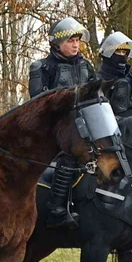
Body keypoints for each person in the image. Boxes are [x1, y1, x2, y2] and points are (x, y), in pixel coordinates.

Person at [29, 17, 96, 227]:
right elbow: (38, 103)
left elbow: (96, 96)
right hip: (53, 130)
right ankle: (57, 208)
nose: (75, 44)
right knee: (69, 156)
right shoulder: (41, 67)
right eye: (70, 40)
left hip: (85, 127)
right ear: (57, 43)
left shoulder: (87, 66)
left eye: (77, 40)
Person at [97, 31, 132, 118]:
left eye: (124, 52)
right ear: (108, 53)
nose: (122, 56)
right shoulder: (98, 80)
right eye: (118, 52)